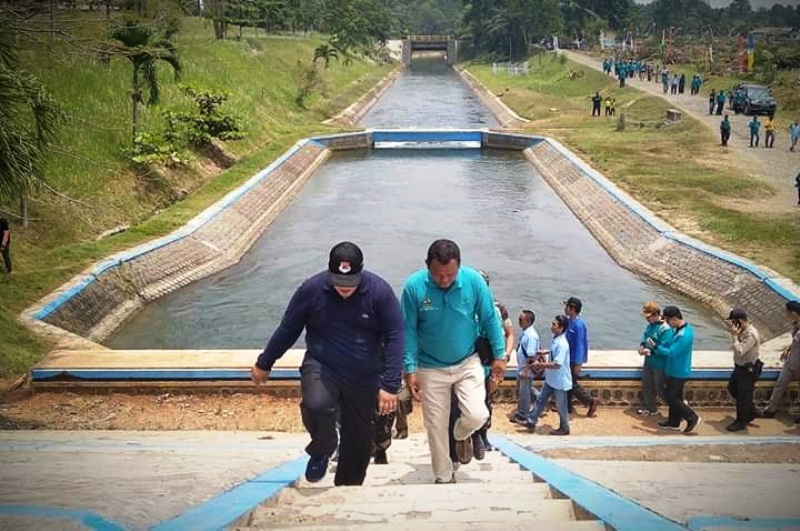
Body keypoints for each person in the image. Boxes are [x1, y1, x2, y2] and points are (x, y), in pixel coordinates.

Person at [251, 241, 404, 485]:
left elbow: (397, 336)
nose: (344, 289)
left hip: (364, 374)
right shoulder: (311, 290)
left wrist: (390, 385)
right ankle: (324, 447)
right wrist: (265, 362)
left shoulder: (380, 292)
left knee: (362, 443)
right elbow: (289, 328)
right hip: (322, 365)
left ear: (361, 272)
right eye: (339, 283)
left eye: (350, 283)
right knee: (316, 406)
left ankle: (346, 489)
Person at [401, 239, 505, 484]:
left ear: (459, 266)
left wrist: (500, 356)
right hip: (429, 365)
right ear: (428, 266)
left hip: (467, 361)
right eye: (438, 275)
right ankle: (444, 477)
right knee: (435, 425)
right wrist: (410, 368)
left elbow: (490, 319)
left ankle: (460, 433)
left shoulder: (473, 281)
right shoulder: (413, 287)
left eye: (450, 274)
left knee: (477, 415)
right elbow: (408, 330)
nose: (444, 280)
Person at [647, 305, 702, 434]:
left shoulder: (684, 335)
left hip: (679, 371)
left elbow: (672, 352)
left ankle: (692, 417)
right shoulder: (679, 329)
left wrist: (656, 347)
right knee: (676, 396)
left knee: (671, 396)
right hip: (673, 369)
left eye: (667, 321)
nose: (666, 324)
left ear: (675, 319)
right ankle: (673, 422)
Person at [522, 315, 572, 435]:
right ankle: (531, 420)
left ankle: (564, 427)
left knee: (561, 406)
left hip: (560, 381)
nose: (551, 326)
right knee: (540, 400)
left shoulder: (563, 344)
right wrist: (546, 352)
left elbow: (557, 365)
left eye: (554, 324)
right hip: (551, 379)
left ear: (561, 328)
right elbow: (554, 353)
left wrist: (541, 365)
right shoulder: (556, 339)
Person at [761, 300, 800, 421]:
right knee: (780, 385)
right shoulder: (796, 325)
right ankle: (770, 409)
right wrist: (789, 348)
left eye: (787, 312)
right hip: (791, 362)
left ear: (793, 313)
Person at [724, 309, 762, 432]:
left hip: (747, 369)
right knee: (733, 388)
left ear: (739, 321)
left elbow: (740, 351)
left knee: (742, 397)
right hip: (739, 367)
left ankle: (741, 422)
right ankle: (752, 410)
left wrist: (734, 336)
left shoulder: (751, 334)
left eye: (733, 322)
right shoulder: (744, 331)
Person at [563, 297, 599, 417]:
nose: (565, 308)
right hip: (567, 358)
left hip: (574, 360)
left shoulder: (578, 325)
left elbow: (580, 345)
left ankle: (590, 401)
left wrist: (579, 363)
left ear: (572, 309)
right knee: (567, 383)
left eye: (567, 306)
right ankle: (567, 407)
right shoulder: (568, 322)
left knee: (571, 383)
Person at [636, 302, 672, 416]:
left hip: (660, 364)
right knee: (647, 386)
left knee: (661, 390)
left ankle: (679, 408)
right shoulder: (650, 326)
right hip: (649, 361)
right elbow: (645, 338)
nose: (647, 319)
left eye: (649, 317)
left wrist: (653, 350)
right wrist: (642, 347)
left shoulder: (665, 329)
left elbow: (666, 349)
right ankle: (650, 408)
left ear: (656, 314)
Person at [509, 309, 541, 423]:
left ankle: (523, 414)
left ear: (527, 321)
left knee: (524, 392)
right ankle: (541, 399)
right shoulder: (526, 333)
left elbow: (531, 356)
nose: (519, 321)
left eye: (520, 319)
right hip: (522, 368)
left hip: (525, 369)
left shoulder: (531, 336)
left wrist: (526, 370)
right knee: (524, 388)